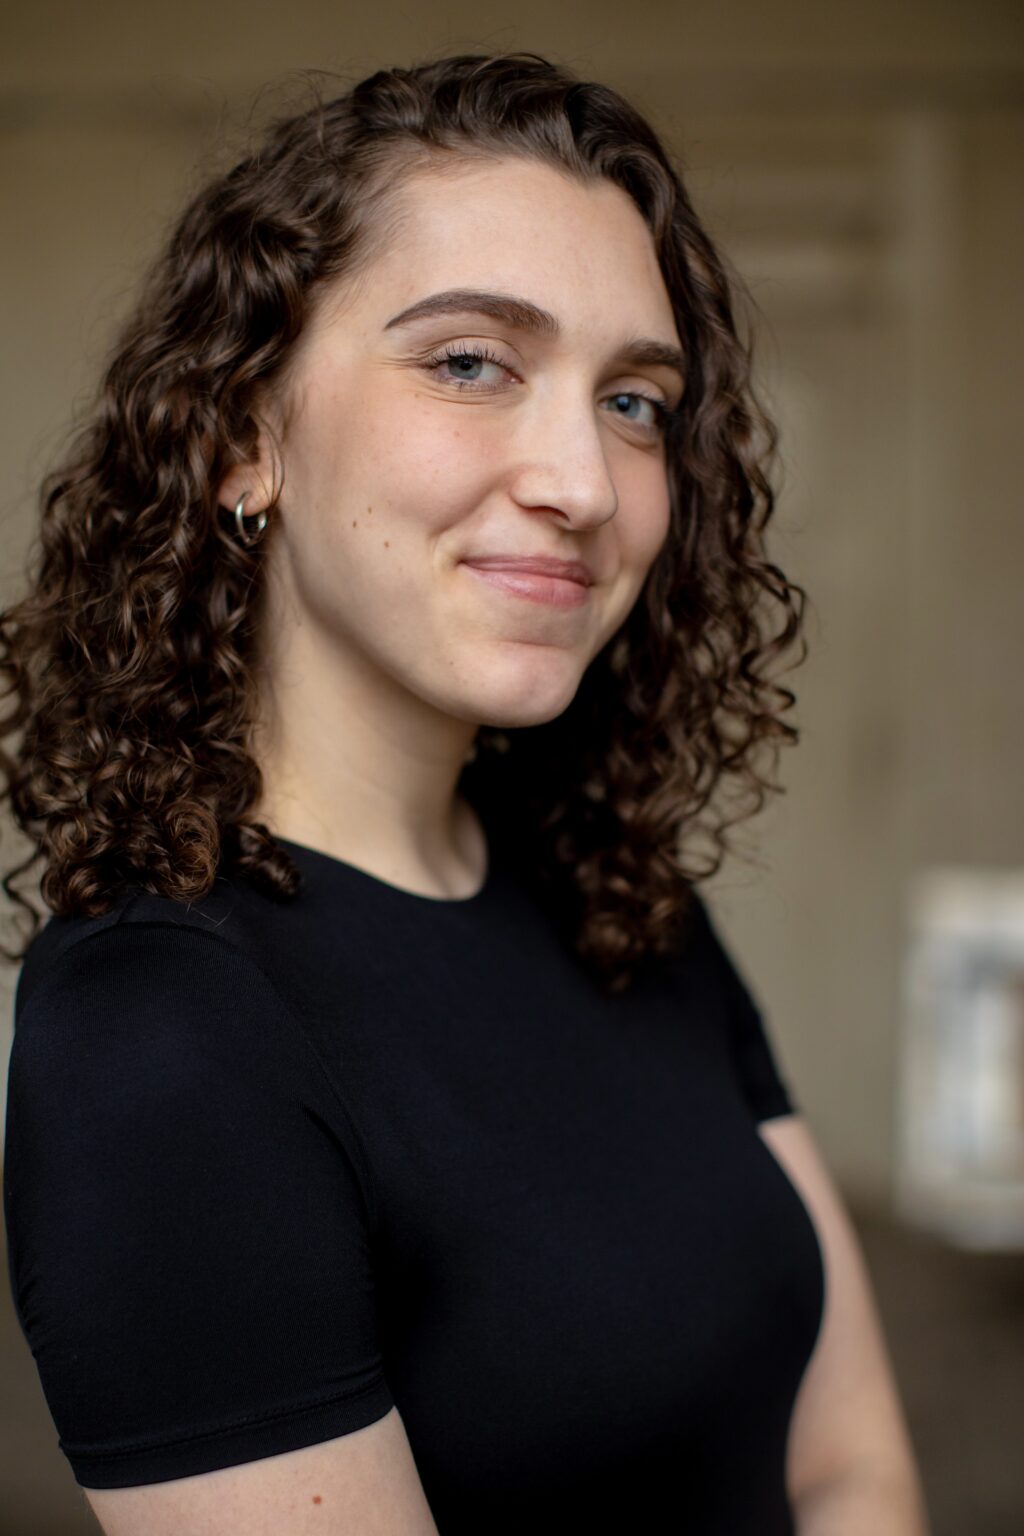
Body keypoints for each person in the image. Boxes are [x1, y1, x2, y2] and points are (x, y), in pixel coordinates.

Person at [0, 50, 929, 1536]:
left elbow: (847, 1471)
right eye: (470, 363)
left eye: (634, 400)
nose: (585, 480)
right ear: (242, 437)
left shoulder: (619, 904)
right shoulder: (162, 1033)